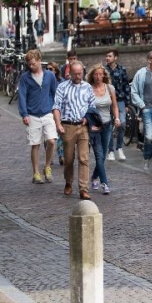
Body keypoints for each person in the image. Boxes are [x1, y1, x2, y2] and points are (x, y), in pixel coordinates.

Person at [53, 60, 96, 200]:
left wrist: (88, 118)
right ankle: (68, 182)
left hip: (83, 126)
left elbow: (92, 105)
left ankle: (83, 188)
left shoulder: (88, 87)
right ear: (70, 73)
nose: (78, 76)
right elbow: (56, 107)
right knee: (69, 159)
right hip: (68, 125)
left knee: (84, 158)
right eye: (75, 74)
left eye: (80, 73)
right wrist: (58, 124)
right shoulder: (62, 87)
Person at [17, 48, 59, 184]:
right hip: (32, 114)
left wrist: (55, 109)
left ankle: (47, 166)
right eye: (29, 64)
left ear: (40, 61)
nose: (31, 66)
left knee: (52, 140)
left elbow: (55, 93)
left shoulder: (50, 76)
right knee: (35, 144)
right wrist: (24, 114)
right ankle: (36, 172)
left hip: (47, 112)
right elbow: (22, 96)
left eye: (33, 63)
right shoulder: (25, 78)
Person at [86, 65, 120, 195]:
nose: (98, 77)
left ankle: (94, 177)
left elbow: (115, 106)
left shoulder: (109, 88)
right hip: (94, 127)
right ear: (92, 76)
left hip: (107, 125)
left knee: (103, 155)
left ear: (104, 75)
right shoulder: (88, 89)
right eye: (96, 74)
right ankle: (105, 183)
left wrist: (116, 118)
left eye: (100, 74)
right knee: (99, 155)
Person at [104, 50, 131, 161]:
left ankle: (119, 147)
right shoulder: (104, 70)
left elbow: (126, 86)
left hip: (120, 100)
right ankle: (110, 150)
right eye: (106, 56)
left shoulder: (122, 70)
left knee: (122, 123)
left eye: (109, 56)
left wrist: (127, 103)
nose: (107, 58)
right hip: (107, 100)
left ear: (115, 57)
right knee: (109, 125)